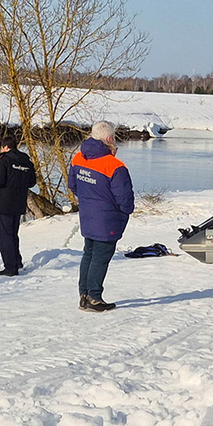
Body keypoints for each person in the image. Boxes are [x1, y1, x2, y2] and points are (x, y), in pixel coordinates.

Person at [69, 121, 134, 311]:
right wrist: (124, 211)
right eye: (114, 137)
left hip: (88, 215)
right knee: (100, 257)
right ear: (109, 139)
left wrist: (89, 198)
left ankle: (84, 295)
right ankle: (94, 298)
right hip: (107, 219)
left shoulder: (78, 158)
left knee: (88, 254)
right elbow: (125, 198)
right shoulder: (114, 166)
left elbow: (73, 185)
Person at [0, 135, 38, 276]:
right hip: (19, 202)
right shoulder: (26, 160)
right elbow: (32, 182)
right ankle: (17, 262)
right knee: (13, 234)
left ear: (5, 147)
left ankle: (10, 267)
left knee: (5, 236)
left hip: (4, 202)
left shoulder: (4, 160)